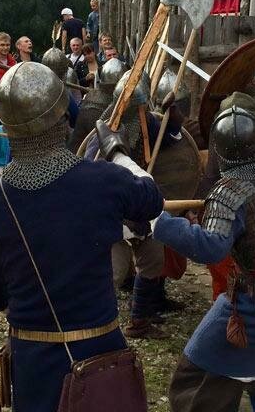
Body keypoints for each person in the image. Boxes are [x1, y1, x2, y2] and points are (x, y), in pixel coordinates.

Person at [0, 62, 164, 412]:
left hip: (33, 359)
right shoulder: (103, 180)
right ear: (63, 118)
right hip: (98, 354)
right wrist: (117, 152)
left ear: (7, 128)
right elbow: (151, 199)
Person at [154, 106, 255, 412]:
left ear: (219, 150)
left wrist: (159, 223)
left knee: (195, 372)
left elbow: (211, 248)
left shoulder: (229, 191)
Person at [83, 70, 184, 339]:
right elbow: (91, 178)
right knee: (112, 274)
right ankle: (85, 324)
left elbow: (170, 136)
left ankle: (139, 321)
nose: (139, 113)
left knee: (153, 260)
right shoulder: (101, 137)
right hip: (113, 213)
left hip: (140, 206)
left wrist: (172, 113)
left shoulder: (146, 122)